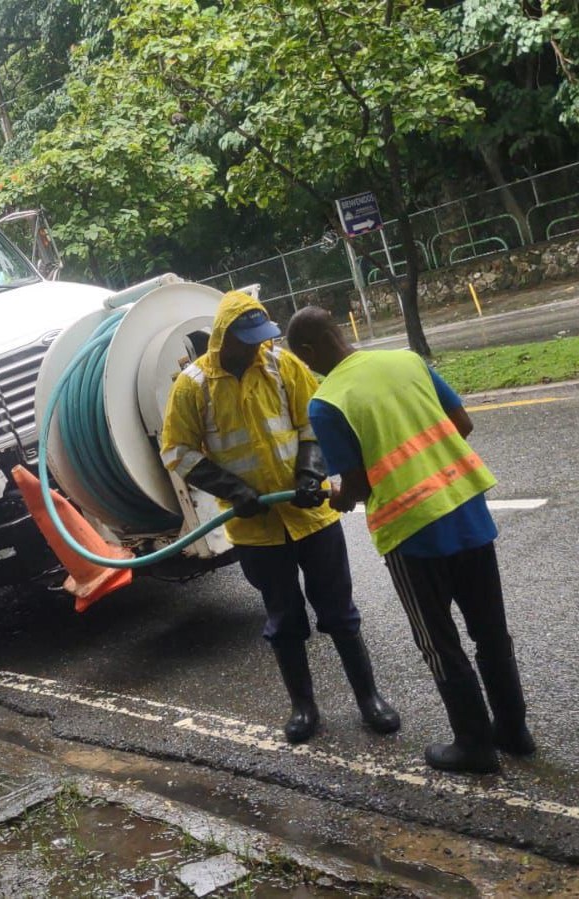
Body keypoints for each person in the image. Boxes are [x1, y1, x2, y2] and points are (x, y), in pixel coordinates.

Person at [285, 306, 534, 774]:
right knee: (490, 631)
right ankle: (515, 732)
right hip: (467, 508)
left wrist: (336, 497)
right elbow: (461, 424)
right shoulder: (406, 360)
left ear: (308, 352)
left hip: (412, 532)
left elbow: (356, 486)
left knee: (439, 643)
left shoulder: (328, 401)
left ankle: (474, 744)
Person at [160, 291, 400, 744]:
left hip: (312, 518)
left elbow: (313, 421)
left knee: (340, 612)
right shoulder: (193, 387)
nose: (257, 347)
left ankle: (369, 699)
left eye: (261, 338)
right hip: (256, 529)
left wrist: (311, 470)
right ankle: (304, 708)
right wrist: (233, 490)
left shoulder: (281, 364)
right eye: (247, 340)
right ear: (223, 338)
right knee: (283, 619)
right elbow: (177, 451)